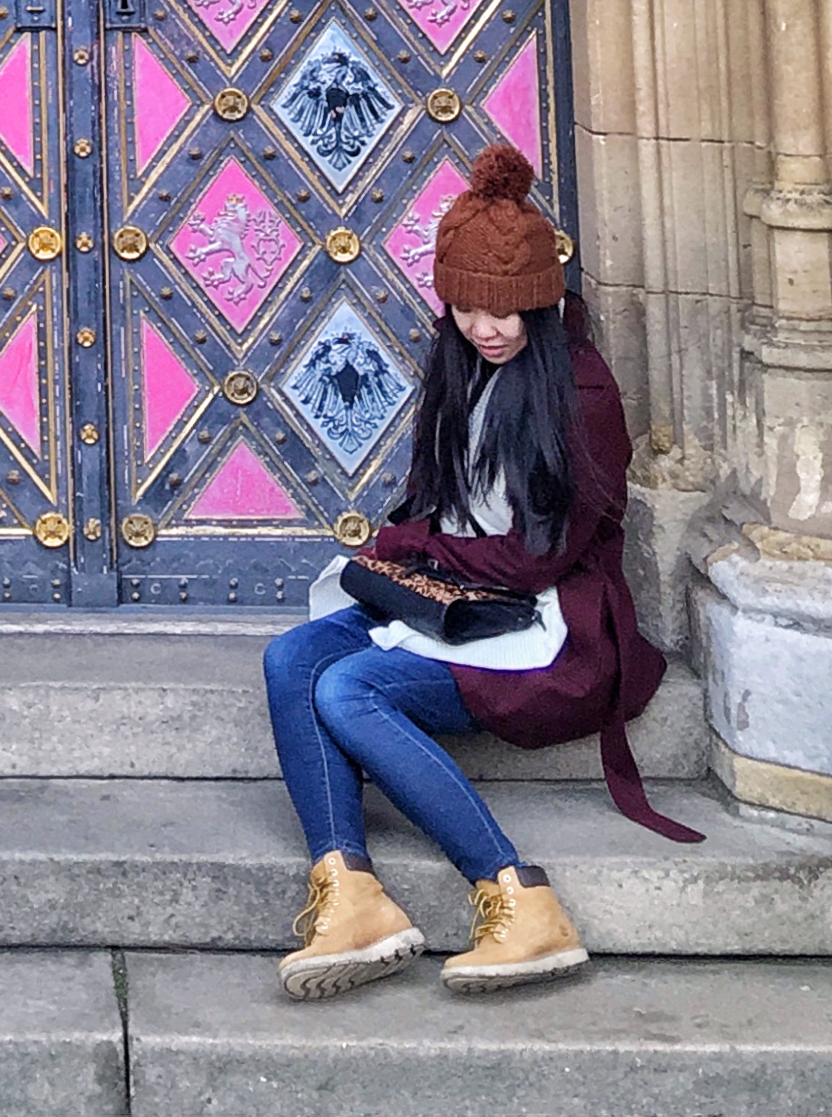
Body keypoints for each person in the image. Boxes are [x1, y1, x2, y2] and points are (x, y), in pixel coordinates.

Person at [260, 140, 695, 1001]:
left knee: (351, 691)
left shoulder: (585, 398)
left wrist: (411, 551)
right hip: (454, 599)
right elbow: (438, 504)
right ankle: (350, 893)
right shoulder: (461, 364)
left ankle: (517, 896)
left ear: (543, 300)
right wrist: (408, 548)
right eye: (467, 309)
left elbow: (540, 556)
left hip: (542, 624)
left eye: (506, 313)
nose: (486, 329)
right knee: (291, 660)